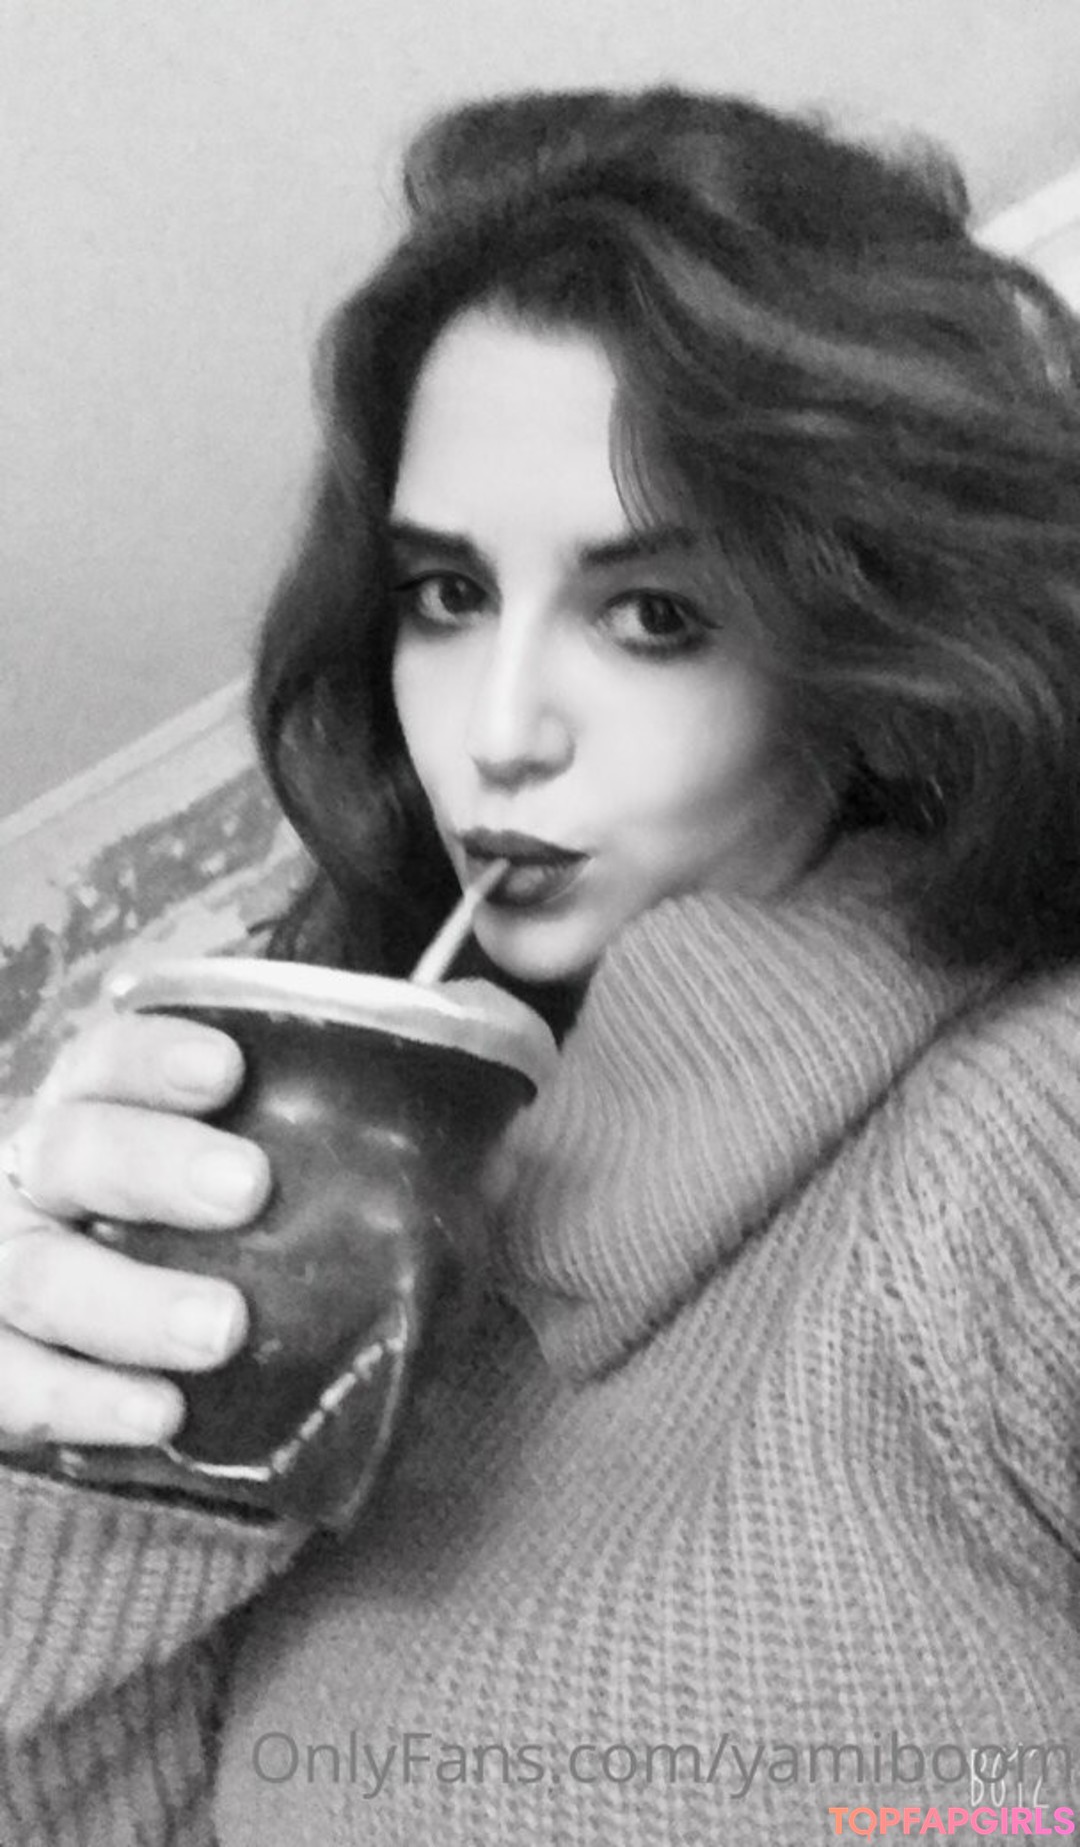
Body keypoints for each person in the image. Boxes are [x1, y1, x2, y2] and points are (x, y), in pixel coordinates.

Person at [3, 84, 1080, 1847]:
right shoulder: (374, 1281)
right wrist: (93, 1462)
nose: (497, 732)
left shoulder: (1029, 1152)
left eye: (653, 614)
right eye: (445, 596)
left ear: (874, 668)